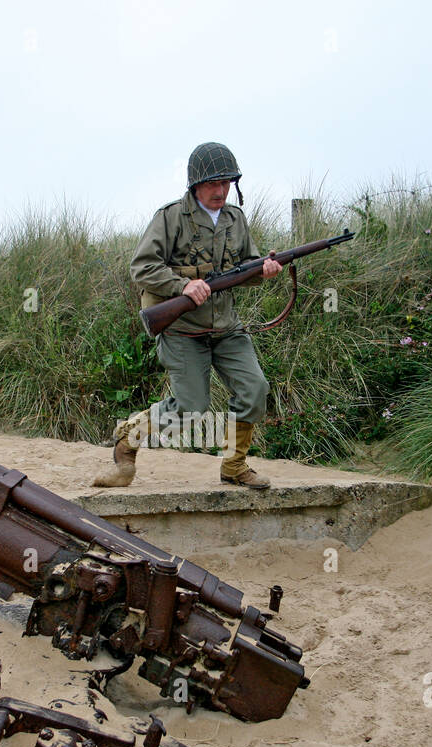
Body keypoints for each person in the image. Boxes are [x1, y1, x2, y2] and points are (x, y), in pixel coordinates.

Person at [93, 142, 281, 489]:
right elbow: (142, 267)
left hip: (226, 328)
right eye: (213, 183)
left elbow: (247, 269)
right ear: (195, 184)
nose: (220, 191)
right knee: (190, 407)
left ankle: (235, 467)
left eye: (227, 183)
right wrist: (181, 286)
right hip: (181, 329)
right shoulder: (169, 218)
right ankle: (127, 440)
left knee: (255, 390)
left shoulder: (235, 218)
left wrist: (264, 270)